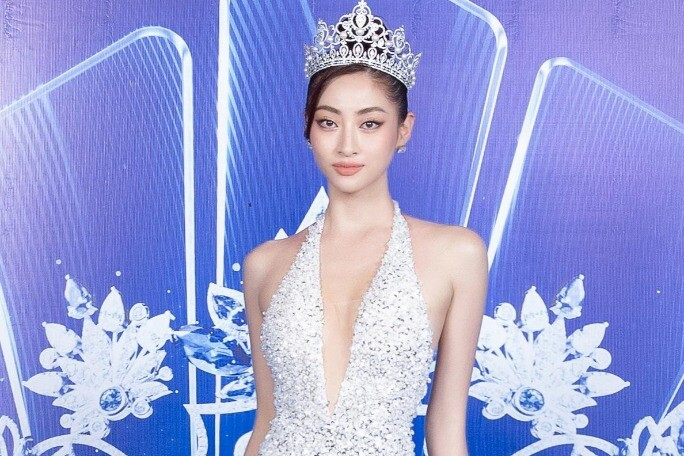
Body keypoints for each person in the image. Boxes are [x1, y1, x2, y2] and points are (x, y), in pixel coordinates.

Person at [243, 1, 487, 454]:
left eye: (370, 123)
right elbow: (266, 420)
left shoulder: (457, 254)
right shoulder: (264, 264)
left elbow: (447, 428)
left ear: (403, 130)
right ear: (309, 129)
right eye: (328, 122)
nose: (347, 144)